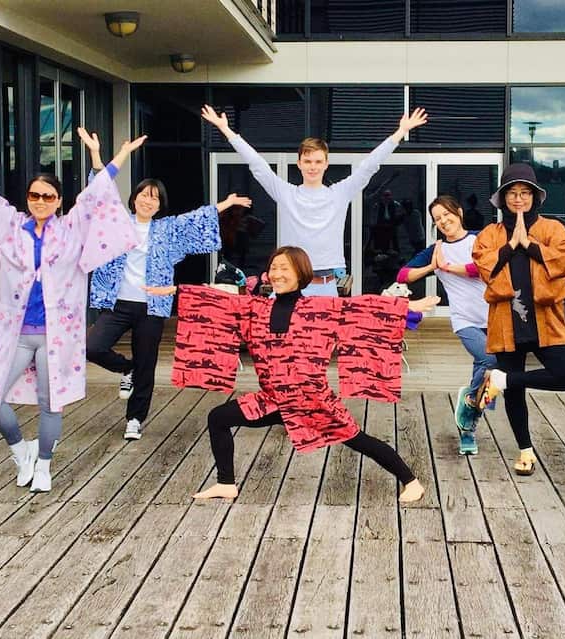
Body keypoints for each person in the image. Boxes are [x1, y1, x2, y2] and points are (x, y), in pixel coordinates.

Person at [0, 129, 143, 493]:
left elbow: (94, 199)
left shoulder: (71, 230)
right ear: (27, 198)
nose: (40, 201)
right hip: (17, 332)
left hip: (56, 336)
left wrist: (113, 157)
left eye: (47, 196)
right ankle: (20, 452)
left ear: (59, 201)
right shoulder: (12, 227)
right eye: (34, 195)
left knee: (50, 402)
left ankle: (44, 465)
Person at [174, 246, 437, 503]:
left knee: (356, 438)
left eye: (284, 268)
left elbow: (364, 309)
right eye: (273, 268)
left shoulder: (322, 308)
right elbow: (218, 304)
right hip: (272, 399)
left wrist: (407, 307)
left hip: (311, 400)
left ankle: (411, 482)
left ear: (300, 273)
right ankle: (225, 483)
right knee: (218, 417)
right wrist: (177, 291)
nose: (276, 273)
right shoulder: (257, 308)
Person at [86, 144, 251, 440]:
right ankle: (127, 369)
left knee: (148, 362)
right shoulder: (116, 222)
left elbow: (195, 218)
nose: (147, 200)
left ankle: (135, 418)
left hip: (152, 304)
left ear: (160, 204)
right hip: (116, 301)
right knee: (93, 347)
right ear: (133, 198)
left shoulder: (167, 229)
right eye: (143, 195)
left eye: (154, 197)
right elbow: (98, 195)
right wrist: (97, 157)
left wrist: (224, 204)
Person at [201, 104, 429, 295]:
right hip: (289, 280)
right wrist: (226, 130)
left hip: (326, 283)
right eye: (308, 161)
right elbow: (258, 165)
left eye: (318, 161)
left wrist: (400, 133)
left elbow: (369, 166)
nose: (313, 166)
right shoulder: (286, 193)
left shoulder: (339, 193)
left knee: (322, 345)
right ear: (299, 163)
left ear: (326, 164)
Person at [471, 163, 565, 476]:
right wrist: (510, 247)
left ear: (535, 197)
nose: (519, 199)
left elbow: (561, 263)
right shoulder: (491, 234)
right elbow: (484, 268)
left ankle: (503, 379)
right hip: (507, 321)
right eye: (512, 193)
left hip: (546, 319)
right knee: (516, 395)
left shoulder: (553, 229)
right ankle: (525, 450)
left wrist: (529, 245)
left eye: (525, 193)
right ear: (502, 199)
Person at [397, 195, 493, 455]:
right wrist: (431, 265)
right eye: (437, 219)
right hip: (465, 320)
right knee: (491, 361)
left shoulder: (480, 238)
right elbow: (403, 275)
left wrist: (448, 267)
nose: (443, 221)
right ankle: (470, 401)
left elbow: (484, 268)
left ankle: (468, 430)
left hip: (495, 318)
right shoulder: (436, 250)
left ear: (459, 212)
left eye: (446, 215)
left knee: (486, 374)